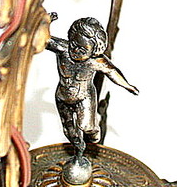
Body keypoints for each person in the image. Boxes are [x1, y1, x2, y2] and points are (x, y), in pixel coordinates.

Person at [47, 16, 138, 159]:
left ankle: (94, 131)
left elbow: (112, 72)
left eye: (83, 50)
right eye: (74, 44)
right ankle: (79, 152)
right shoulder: (63, 49)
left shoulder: (96, 61)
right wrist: (46, 22)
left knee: (86, 126)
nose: (76, 50)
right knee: (70, 132)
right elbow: (44, 40)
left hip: (84, 97)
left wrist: (128, 86)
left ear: (94, 51)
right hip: (62, 96)